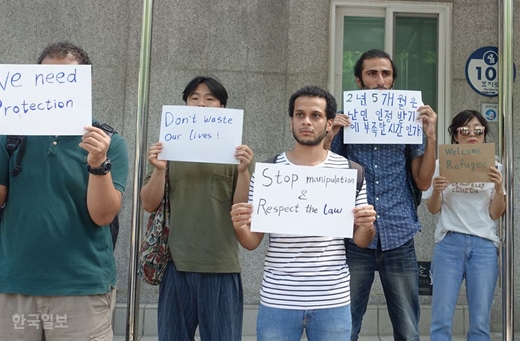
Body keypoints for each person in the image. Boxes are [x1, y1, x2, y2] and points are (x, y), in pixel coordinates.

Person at [0, 42, 129, 340]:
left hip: (81, 288)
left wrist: (98, 164)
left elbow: (104, 215)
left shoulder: (110, 142)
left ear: (87, 84)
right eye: (46, 79)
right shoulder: (11, 134)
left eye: (67, 80)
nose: (55, 89)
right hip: (14, 284)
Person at [231, 85, 377, 341]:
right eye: (300, 115)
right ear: (291, 122)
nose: (306, 121)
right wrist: (240, 225)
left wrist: (367, 225)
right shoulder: (268, 171)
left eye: (315, 115)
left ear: (329, 124)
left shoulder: (350, 171)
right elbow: (252, 242)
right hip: (278, 298)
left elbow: (361, 241)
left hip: (332, 298)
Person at [327, 49, 437, 341]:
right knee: (344, 325)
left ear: (393, 80)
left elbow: (423, 182)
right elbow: (323, 174)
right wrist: (330, 133)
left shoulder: (408, 119)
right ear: (359, 81)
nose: (379, 80)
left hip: (399, 233)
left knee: (408, 329)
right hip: (353, 235)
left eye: (386, 74)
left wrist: (431, 136)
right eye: (372, 74)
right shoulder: (344, 122)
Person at [140, 76, 253, 341]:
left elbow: (242, 209)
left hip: (221, 266)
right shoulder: (167, 149)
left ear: (222, 108)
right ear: (185, 105)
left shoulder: (238, 154)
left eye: (210, 99)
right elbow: (148, 203)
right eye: (194, 98)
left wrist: (244, 171)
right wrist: (159, 169)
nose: (201, 104)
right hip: (175, 265)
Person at [427, 110, 505, 341]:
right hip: (449, 241)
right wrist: (437, 190)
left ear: (484, 135)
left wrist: (499, 188)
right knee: (441, 318)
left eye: (478, 130)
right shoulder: (442, 165)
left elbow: (495, 213)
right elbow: (433, 209)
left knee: (481, 321)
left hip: (484, 244)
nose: (472, 134)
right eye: (465, 130)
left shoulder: (495, 168)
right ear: (455, 135)